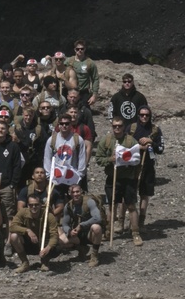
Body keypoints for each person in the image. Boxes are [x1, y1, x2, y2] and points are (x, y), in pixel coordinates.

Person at [94, 118, 142, 246]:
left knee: (131, 205)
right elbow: (98, 158)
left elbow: (137, 157)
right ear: (112, 126)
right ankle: (109, 231)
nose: (117, 128)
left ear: (123, 127)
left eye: (119, 126)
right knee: (112, 205)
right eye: (115, 126)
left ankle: (135, 233)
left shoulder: (130, 141)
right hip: (113, 177)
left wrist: (127, 162)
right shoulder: (107, 140)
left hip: (128, 178)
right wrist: (110, 159)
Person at [130, 106, 163, 229]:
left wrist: (151, 142)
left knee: (145, 193)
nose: (144, 117)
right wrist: (138, 146)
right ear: (138, 115)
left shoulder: (155, 130)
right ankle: (127, 219)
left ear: (150, 116)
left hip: (148, 165)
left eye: (147, 115)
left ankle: (141, 220)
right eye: (142, 114)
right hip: (132, 165)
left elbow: (160, 149)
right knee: (129, 193)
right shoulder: (132, 128)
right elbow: (124, 145)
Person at [8, 194, 58, 273]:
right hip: (30, 242)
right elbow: (12, 227)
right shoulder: (23, 212)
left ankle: (45, 262)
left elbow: (54, 235)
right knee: (14, 236)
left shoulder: (49, 216)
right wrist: (27, 230)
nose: (34, 207)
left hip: (44, 243)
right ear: (28, 205)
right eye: (31, 205)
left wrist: (48, 248)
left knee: (56, 244)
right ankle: (25, 263)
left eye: (36, 205)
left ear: (40, 205)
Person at [59, 185, 104, 267]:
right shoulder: (68, 206)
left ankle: (94, 255)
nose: (75, 194)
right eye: (73, 192)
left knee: (96, 227)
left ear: (81, 192)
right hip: (77, 233)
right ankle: (82, 248)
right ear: (69, 194)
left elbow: (97, 218)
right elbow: (65, 223)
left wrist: (81, 225)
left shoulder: (89, 202)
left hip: (90, 233)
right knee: (61, 241)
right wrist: (69, 231)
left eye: (77, 192)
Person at [67, 39, 99, 106]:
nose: (80, 50)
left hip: (83, 92)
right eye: (77, 49)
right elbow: (60, 68)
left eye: (82, 49)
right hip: (70, 91)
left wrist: (94, 95)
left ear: (85, 49)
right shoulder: (69, 61)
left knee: (85, 111)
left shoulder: (90, 63)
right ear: (74, 49)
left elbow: (95, 79)